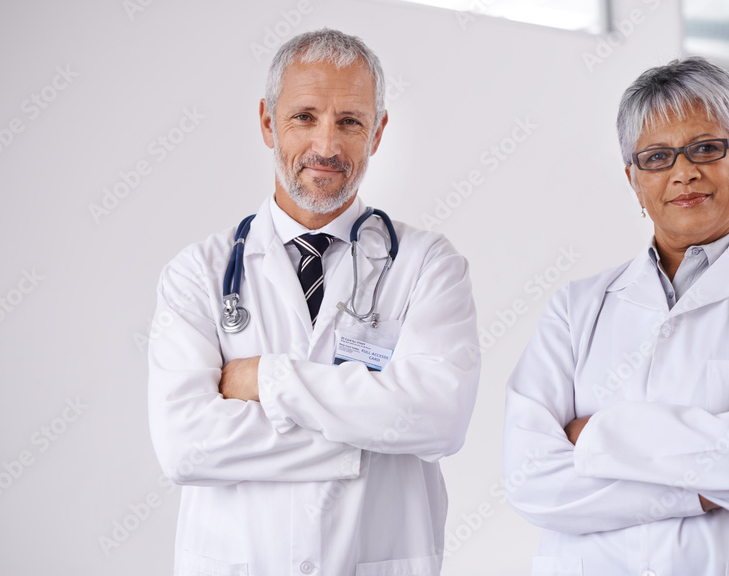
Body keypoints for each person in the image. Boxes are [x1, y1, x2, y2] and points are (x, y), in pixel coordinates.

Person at [148, 29, 480, 575]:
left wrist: (267, 380)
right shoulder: (197, 274)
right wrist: (366, 439)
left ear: (377, 133)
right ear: (266, 122)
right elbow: (186, 447)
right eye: (305, 116)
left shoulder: (428, 265)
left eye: (350, 121)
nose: (326, 146)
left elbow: (441, 418)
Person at [503, 57, 729, 575]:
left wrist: (593, 436)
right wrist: (710, 483)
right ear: (633, 181)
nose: (684, 172)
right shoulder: (576, 307)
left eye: (707, 148)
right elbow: (529, 480)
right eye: (658, 157)